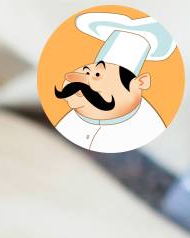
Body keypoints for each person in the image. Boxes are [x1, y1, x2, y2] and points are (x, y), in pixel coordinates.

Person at [55, 11, 178, 153]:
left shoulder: (149, 128)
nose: (81, 80)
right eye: (86, 71)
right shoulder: (70, 116)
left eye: (97, 75)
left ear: (140, 83)